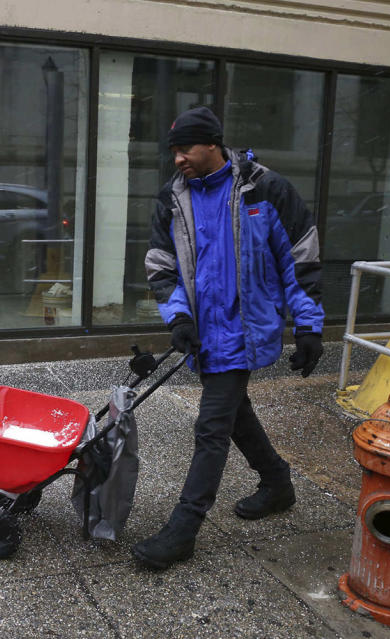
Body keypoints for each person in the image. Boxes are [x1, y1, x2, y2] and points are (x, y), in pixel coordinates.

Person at [133, 106, 324, 570]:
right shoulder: (172, 199)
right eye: (174, 150)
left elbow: (300, 260)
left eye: (186, 148)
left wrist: (309, 325)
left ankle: (184, 527)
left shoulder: (265, 189)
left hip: (246, 329)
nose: (178, 158)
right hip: (205, 334)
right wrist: (178, 319)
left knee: (211, 426)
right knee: (236, 415)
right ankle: (277, 483)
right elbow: (161, 265)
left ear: (213, 144)